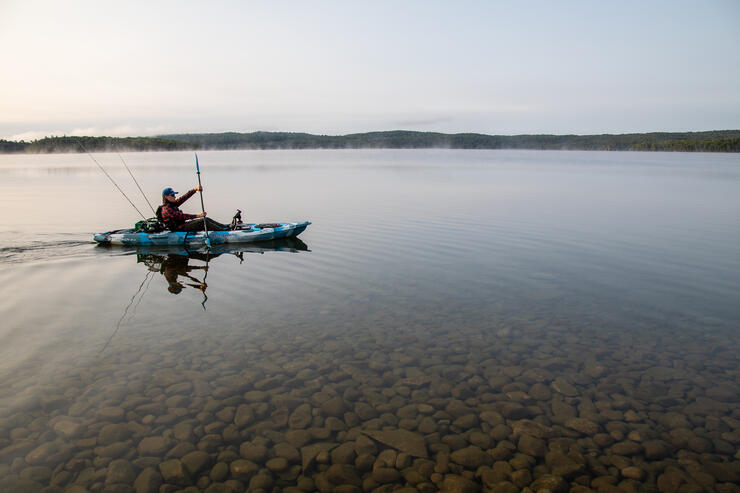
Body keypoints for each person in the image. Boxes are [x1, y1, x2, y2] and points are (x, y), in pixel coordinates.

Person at [159, 186, 229, 232]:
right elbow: (181, 216)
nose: (175, 196)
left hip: (182, 225)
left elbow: (183, 198)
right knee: (203, 222)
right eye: (172, 195)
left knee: (206, 219)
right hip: (178, 229)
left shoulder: (172, 205)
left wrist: (195, 189)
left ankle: (226, 227)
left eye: (174, 195)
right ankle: (224, 231)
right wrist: (197, 216)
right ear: (166, 197)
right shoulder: (166, 209)